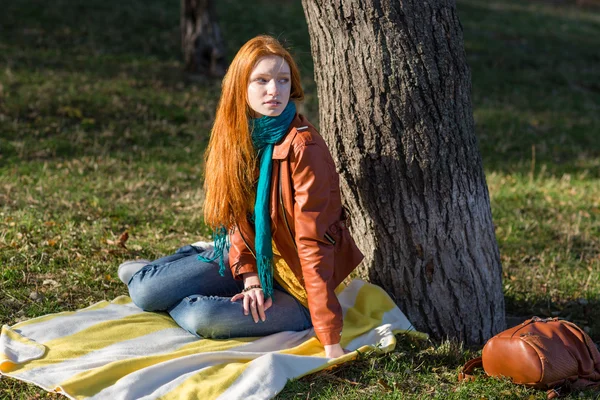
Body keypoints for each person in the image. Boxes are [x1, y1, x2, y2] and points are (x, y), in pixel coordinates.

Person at [119, 35, 363, 359]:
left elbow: (313, 245)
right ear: (241, 87)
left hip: (295, 285)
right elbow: (236, 215)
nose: (274, 91)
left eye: (282, 80)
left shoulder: (305, 149)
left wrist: (330, 339)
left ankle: (177, 283)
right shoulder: (241, 136)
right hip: (249, 254)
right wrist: (249, 276)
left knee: (201, 317)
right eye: (261, 80)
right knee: (144, 291)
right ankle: (180, 267)